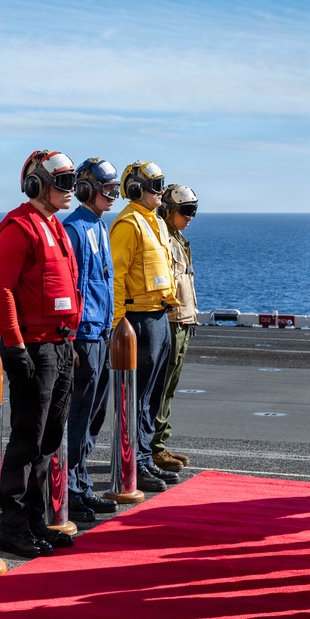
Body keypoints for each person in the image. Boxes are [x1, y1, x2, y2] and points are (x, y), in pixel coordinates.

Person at [0, 150, 82, 558]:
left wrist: (69, 343)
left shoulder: (54, 226)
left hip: (59, 345)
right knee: (27, 440)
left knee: (48, 441)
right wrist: (15, 344)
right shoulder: (19, 228)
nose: (71, 190)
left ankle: (35, 522)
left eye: (72, 182)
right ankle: (13, 527)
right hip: (34, 347)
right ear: (36, 185)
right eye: (63, 183)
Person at [109, 161, 182, 493]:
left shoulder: (156, 222)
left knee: (152, 396)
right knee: (137, 398)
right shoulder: (128, 224)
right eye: (155, 186)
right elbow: (117, 276)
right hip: (137, 319)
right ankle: (132, 463)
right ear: (136, 189)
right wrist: (118, 324)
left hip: (159, 316)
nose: (161, 192)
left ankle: (144, 456)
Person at [62, 157, 121, 523]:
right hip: (84, 335)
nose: (113, 196)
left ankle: (81, 484)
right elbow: (71, 285)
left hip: (100, 332)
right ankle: (69, 490)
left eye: (115, 189)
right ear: (86, 189)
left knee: (94, 416)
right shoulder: (74, 229)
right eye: (108, 190)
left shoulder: (98, 225)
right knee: (78, 416)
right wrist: (71, 337)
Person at [151, 185, 200, 472]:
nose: (190, 216)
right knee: (160, 387)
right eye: (186, 211)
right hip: (170, 321)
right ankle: (153, 448)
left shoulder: (179, 239)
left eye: (194, 210)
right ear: (169, 210)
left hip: (183, 320)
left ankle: (159, 443)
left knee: (168, 388)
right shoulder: (164, 239)